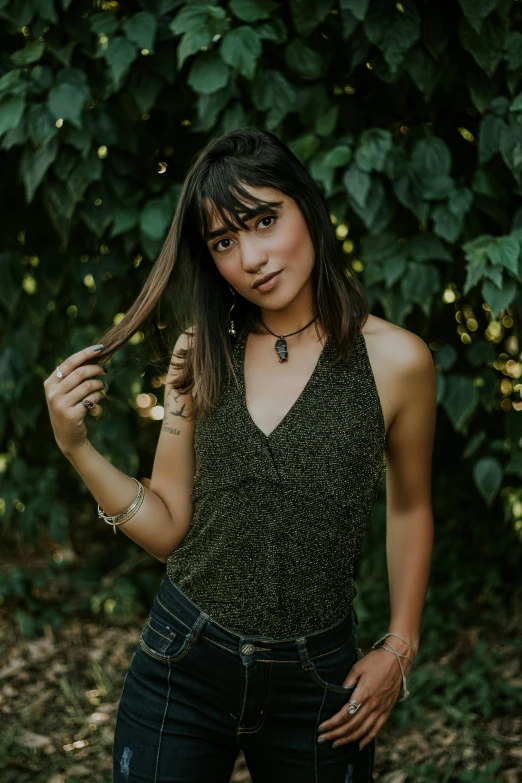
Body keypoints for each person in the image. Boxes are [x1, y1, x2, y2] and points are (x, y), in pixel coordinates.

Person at [44, 128, 436, 782]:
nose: (250, 255)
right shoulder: (198, 356)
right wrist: (76, 447)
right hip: (183, 663)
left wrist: (400, 643)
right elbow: (169, 526)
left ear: (306, 205)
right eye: (225, 241)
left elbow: (412, 505)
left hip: (318, 680)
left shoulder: (397, 361)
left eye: (263, 220)